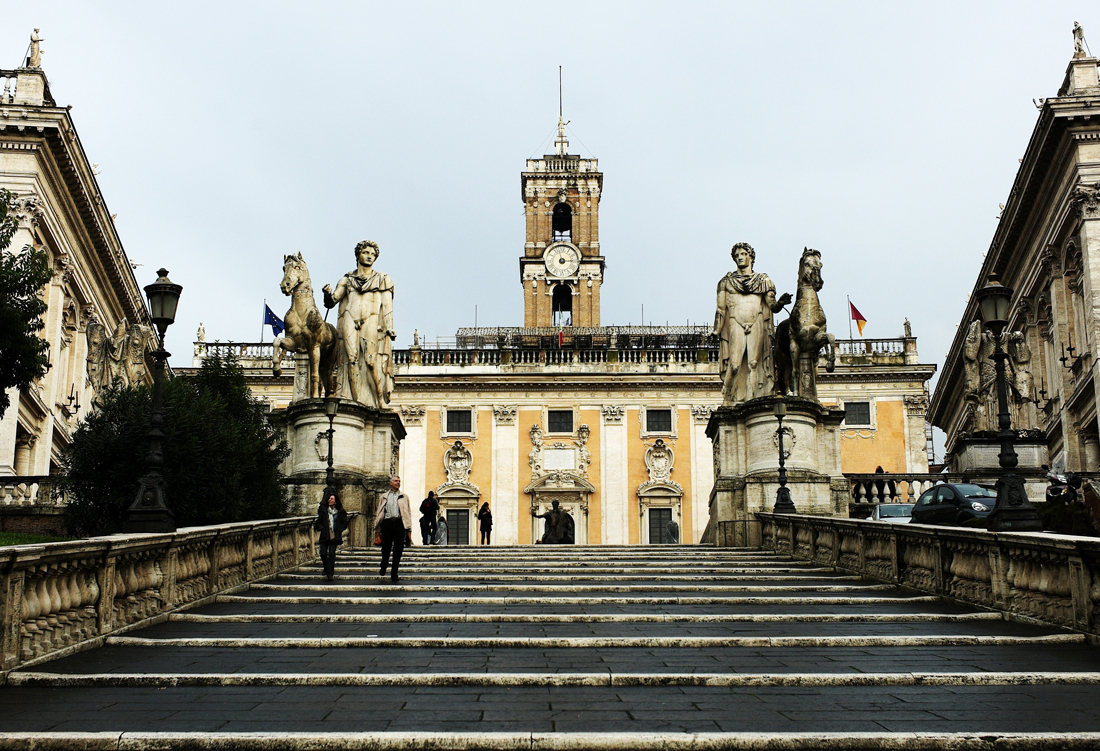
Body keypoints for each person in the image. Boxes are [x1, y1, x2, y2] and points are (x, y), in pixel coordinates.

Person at [711, 242, 791, 404]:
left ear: (751, 256)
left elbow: (772, 306)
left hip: (756, 323)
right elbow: (721, 309)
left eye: (743, 254)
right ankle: (727, 398)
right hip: (735, 322)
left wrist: (781, 303)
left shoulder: (764, 281)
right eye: (736, 256)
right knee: (734, 365)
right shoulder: (726, 282)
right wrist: (716, 330)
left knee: (754, 363)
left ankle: (752, 401)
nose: (739, 258)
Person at [322, 240, 395, 408]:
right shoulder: (347, 279)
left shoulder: (382, 279)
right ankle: (354, 402)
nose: (369, 256)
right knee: (351, 359)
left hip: (371, 319)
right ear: (358, 255)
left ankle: (379, 401)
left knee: (371, 361)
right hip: (349, 317)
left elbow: (387, 306)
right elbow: (332, 302)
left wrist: (389, 326)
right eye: (366, 253)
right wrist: (326, 294)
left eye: (372, 254)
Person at [374, 475, 412, 582]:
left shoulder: (404, 497)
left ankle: (394, 573)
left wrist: (409, 529)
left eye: (399, 481)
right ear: (391, 483)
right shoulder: (384, 496)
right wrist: (377, 527)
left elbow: (408, 512)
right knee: (386, 548)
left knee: (398, 549)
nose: (398, 482)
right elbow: (380, 511)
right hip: (387, 523)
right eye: (396, 481)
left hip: (399, 524)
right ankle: (384, 564)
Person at [313, 487, 348, 581]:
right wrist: (322, 528)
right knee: (323, 553)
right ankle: (326, 568)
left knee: (332, 554)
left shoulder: (340, 512)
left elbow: (345, 523)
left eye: (331, 499)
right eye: (329, 499)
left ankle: (330, 573)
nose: (329, 500)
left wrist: (339, 530)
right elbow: (318, 522)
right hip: (325, 535)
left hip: (334, 536)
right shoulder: (324, 511)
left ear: (335, 501)